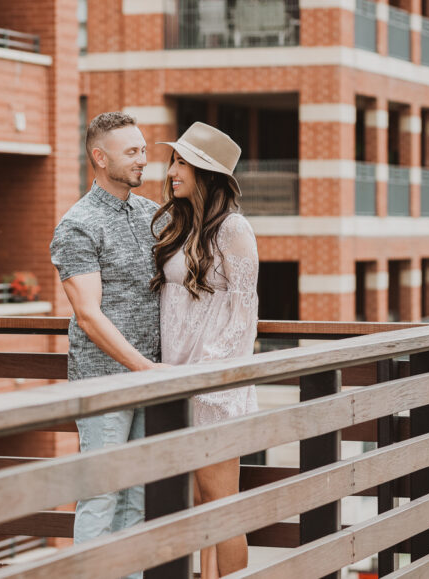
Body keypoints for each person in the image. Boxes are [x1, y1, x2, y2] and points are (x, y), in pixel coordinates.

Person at [49, 111, 167, 577]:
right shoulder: (77, 224)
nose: (143, 160)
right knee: (101, 494)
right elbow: (88, 314)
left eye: (143, 150)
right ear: (100, 158)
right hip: (104, 381)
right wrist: (144, 367)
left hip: (150, 377)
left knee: (137, 494)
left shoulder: (151, 213)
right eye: (131, 152)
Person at [151, 121, 259, 578]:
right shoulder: (178, 225)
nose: (171, 171)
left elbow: (243, 315)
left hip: (213, 386)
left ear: (206, 173)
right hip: (177, 380)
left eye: (181, 163)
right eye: (173, 161)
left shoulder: (233, 229)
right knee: (198, 502)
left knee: (221, 504)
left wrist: (208, 376)